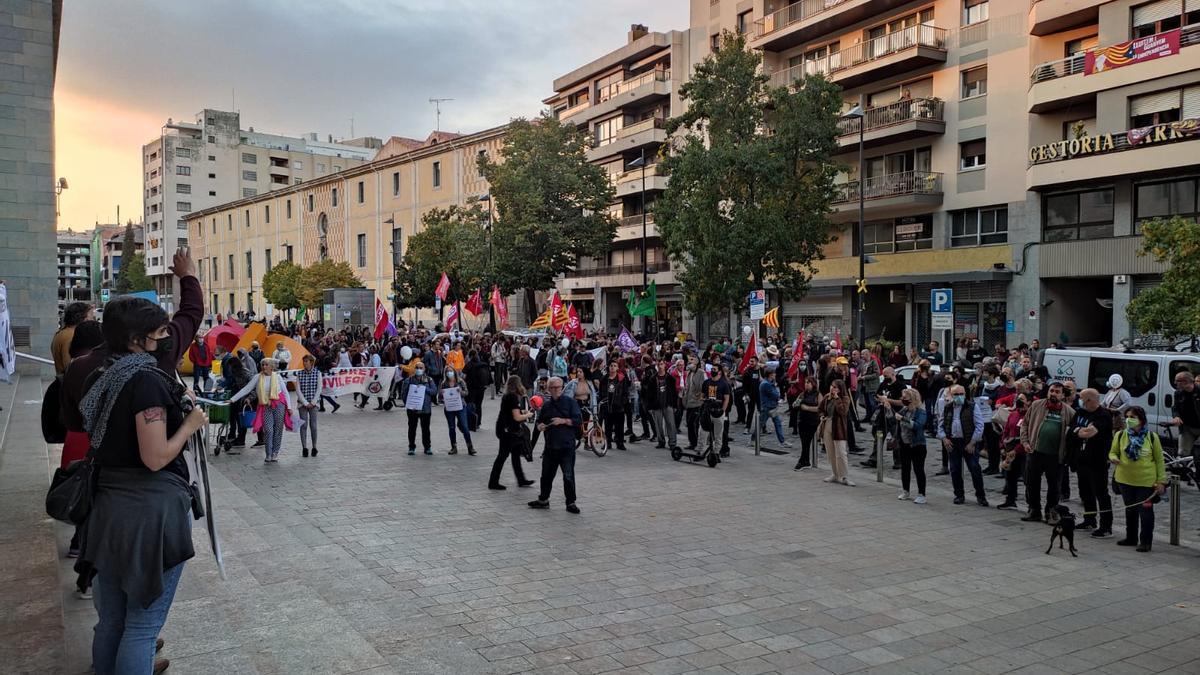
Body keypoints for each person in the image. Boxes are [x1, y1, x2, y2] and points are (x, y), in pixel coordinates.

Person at [78, 296, 207, 675]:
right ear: (137, 339)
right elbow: (154, 457)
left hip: (107, 510)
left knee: (112, 622)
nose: (167, 338)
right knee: (141, 627)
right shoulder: (146, 381)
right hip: (148, 515)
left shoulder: (102, 376)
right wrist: (188, 424)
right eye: (160, 332)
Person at [1109, 406, 1166, 552]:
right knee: (1130, 510)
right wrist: (1114, 458)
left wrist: (1161, 481)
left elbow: (1159, 460)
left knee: (1145, 512)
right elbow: (1113, 452)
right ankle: (1131, 537)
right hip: (1125, 480)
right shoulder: (1121, 435)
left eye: (1133, 417)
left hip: (1146, 482)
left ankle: (1146, 541)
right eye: (1127, 416)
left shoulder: (1152, 437)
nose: (1129, 419)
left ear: (1141, 420)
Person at [1019, 381, 1075, 523]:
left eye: (1057, 392)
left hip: (1055, 456)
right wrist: (1025, 442)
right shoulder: (1037, 405)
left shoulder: (1069, 412)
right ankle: (1034, 510)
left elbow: (1072, 435)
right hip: (1035, 452)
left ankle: (1051, 512)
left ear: (1063, 395)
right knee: (1032, 483)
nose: (1053, 394)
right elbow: (1024, 424)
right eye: (1051, 391)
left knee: (1054, 486)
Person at [528, 376, 583, 514]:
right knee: (546, 475)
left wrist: (563, 421)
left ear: (562, 388)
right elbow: (539, 421)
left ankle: (570, 502)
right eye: (551, 387)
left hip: (566, 446)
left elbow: (577, 421)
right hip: (551, 446)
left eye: (557, 387)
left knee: (568, 475)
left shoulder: (570, 403)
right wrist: (540, 426)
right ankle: (543, 500)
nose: (554, 390)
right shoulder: (546, 405)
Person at [230, 357, 292, 463]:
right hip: (265, 405)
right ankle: (268, 453)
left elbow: (285, 392)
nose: (264, 367)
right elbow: (246, 389)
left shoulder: (277, 377)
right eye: (263, 364)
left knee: (278, 429)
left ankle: (275, 453)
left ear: (272, 367)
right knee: (268, 429)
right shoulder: (257, 377)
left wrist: (289, 407)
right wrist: (232, 399)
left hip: (279, 404)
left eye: (266, 364)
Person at [938, 384, 989, 506]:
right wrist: (944, 438)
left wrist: (972, 442)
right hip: (953, 442)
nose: (959, 397)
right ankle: (959, 495)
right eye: (956, 394)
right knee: (955, 469)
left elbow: (979, 425)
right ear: (951, 395)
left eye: (961, 394)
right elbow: (940, 425)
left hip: (968, 441)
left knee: (974, 468)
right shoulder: (947, 408)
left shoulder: (972, 406)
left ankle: (981, 496)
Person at [1073, 388, 1114, 537]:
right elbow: (1070, 428)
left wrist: (1077, 431)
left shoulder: (1103, 415)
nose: (1080, 401)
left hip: (1097, 460)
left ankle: (1106, 526)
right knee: (1085, 491)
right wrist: (1078, 431)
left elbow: (1089, 432)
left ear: (1090, 400)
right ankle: (1089, 519)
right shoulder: (1080, 413)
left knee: (1101, 493)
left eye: (1082, 398)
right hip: (1081, 459)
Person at [490, 375, 535, 490]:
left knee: (515, 454)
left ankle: (521, 479)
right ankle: (493, 482)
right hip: (508, 431)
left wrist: (522, 411)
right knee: (503, 456)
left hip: (505, 429)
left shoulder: (508, 396)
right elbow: (517, 417)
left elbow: (512, 412)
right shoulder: (513, 397)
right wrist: (528, 415)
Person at [896, 389, 928, 504]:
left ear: (912, 399)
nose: (902, 399)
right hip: (904, 443)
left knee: (918, 469)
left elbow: (918, 425)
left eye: (905, 397)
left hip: (917, 445)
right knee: (905, 468)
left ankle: (921, 494)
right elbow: (895, 418)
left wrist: (903, 419)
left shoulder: (921, 412)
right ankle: (906, 490)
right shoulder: (904, 409)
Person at [819, 379, 853, 486]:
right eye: (831, 386)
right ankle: (834, 473)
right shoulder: (826, 397)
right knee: (831, 452)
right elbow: (820, 409)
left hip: (838, 427)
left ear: (840, 389)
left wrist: (837, 399)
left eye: (835, 387)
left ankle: (844, 476)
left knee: (841, 453)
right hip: (827, 424)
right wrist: (822, 415)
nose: (832, 389)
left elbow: (843, 411)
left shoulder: (845, 398)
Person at [401, 364, 438, 455]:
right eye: (417, 368)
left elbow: (434, 391)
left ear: (424, 369)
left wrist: (425, 389)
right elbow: (404, 394)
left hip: (425, 409)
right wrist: (408, 404)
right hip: (412, 409)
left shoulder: (429, 380)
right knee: (412, 428)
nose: (419, 369)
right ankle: (411, 447)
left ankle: (427, 447)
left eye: (421, 368)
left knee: (426, 429)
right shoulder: (409, 380)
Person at [51, 301, 94, 375]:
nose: (93, 320)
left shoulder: (63, 333)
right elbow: (70, 366)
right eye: (91, 317)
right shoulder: (71, 335)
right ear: (84, 319)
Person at [440, 369, 475, 455]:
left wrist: (461, 392)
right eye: (447, 371)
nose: (449, 373)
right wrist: (442, 394)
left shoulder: (460, 381)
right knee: (451, 427)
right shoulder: (444, 384)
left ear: (454, 372)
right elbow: (440, 398)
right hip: (449, 408)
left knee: (464, 426)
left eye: (450, 371)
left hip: (460, 407)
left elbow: (466, 393)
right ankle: (454, 447)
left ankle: (470, 447)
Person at [1170, 370, 1200, 469]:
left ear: (1186, 381)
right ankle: (1185, 474)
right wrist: (1176, 416)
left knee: (1197, 451)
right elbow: (1175, 408)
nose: (1175, 383)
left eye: (1177, 381)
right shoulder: (1178, 393)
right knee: (1182, 454)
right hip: (1187, 427)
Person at [756, 367, 792, 449]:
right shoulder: (766, 384)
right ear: (770, 375)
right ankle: (753, 440)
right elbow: (775, 395)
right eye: (774, 374)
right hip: (767, 407)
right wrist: (775, 388)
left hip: (771, 407)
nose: (775, 375)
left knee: (777, 423)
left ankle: (782, 441)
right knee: (760, 424)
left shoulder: (768, 383)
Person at [647, 359, 678, 449]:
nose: (660, 366)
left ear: (664, 365)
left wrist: (675, 405)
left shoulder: (670, 378)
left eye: (661, 364)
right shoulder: (653, 379)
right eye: (658, 364)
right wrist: (650, 406)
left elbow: (674, 393)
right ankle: (661, 441)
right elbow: (649, 394)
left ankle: (672, 442)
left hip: (668, 403)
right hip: (656, 405)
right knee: (658, 424)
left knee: (671, 424)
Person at [294, 354, 322, 458]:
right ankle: (304, 447)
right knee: (303, 425)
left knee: (313, 426)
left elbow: (319, 388)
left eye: (306, 361)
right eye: (304, 361)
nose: (304, 363)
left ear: (311, 362)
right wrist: (305, 403)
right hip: (302, 403)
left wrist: (313, 402)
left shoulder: (318, 373)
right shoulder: (299, 374)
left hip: (314, 403)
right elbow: (298, 389)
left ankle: (314, 446)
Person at [599, 361, 629, 452]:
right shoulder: (604, 379)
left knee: (619, 426)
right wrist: (603, 401)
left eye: (614, 366)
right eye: (611, 365)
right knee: (608, 426)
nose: (612, 367)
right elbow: (601, 391)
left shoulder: (621, 378)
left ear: (617, 368)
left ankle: (620, 443)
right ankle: (608, 442)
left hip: (618, 406)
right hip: (607, 406)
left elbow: (625, 392)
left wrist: (622, 402)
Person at [682, 355, 705, 450]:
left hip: (697, 403)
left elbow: (702, 387)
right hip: (689, 402)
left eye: (692, 360)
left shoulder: (700, 373)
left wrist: (699, 394)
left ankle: (697, 443)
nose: (689, 362)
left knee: (694, 422)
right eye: (689, 360)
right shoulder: (689, 373)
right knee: (689, 423)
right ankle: (692, 442)